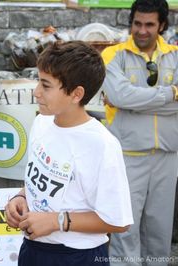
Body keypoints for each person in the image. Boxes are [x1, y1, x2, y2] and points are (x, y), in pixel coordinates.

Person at [4, 40, 133, 266]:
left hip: (77, 257)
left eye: (46, 85)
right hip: (33, 249)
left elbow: (118, 220)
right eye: (38, 81)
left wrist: (58, 221)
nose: (36, 92)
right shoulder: (41, 122)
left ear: (76, 94)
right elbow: (45, 182)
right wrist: (21, 197)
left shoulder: (102, 145)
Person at [101, 0, 178, 264]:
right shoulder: (112, 55)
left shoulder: (176, 54)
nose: (141, 30)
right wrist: (171, 95)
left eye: (149, 24)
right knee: (126, 227)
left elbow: (126, 100)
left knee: (160, 228)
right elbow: (119, 95)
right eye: (137, 23)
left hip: (168, 154)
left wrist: (134, 104)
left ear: (162, 26)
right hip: (127, 153)